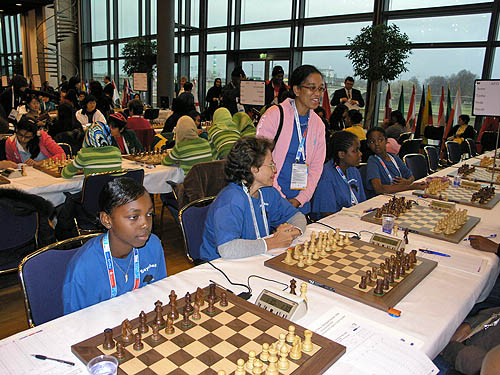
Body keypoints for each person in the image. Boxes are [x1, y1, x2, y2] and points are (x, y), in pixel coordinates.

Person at [62, 177, 167, 314]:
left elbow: (159, 294)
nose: (145, 224)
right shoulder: (84, 267)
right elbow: (76, 325)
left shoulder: (153, 245)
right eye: (133, 217)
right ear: (107, 220)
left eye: (149, 214)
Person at [199, 137, 306, 261]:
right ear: (254, 168)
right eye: (271, 164)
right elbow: (227, 249)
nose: (275, 170)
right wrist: (274, 242)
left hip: (254, 258)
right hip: (219, 266)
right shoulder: (231, 200)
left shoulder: (268, 192)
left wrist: (294, 231)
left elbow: (296, 216)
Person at [257, 64, 326, 215]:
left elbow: (316, 167)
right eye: (311, 87)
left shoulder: (318, 124)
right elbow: (260, 160)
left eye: (320, 88)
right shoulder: (275, 115)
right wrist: (281, 199)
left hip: (300, 203)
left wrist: (301, 199)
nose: (317, 93)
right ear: (296, 90)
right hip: (271, 198)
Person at [311, 131, 366, 220]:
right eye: (355, 151)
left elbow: (362, 202)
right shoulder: (326, 175)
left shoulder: (354, 170)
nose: (360, 154)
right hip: (332, 222)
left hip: (354, 218)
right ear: (341, 154)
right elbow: (327, 213)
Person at [365, 127, 426, 196]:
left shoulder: (394, 157)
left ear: (386, 140)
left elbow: (411, 177)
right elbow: (379, 189)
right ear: (368, 145)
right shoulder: (372, 161)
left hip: (398, 194)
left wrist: (407, 182)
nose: (377, 144)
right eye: (372, 142)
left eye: (380, 140)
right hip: (382, 198)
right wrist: (410, 186)